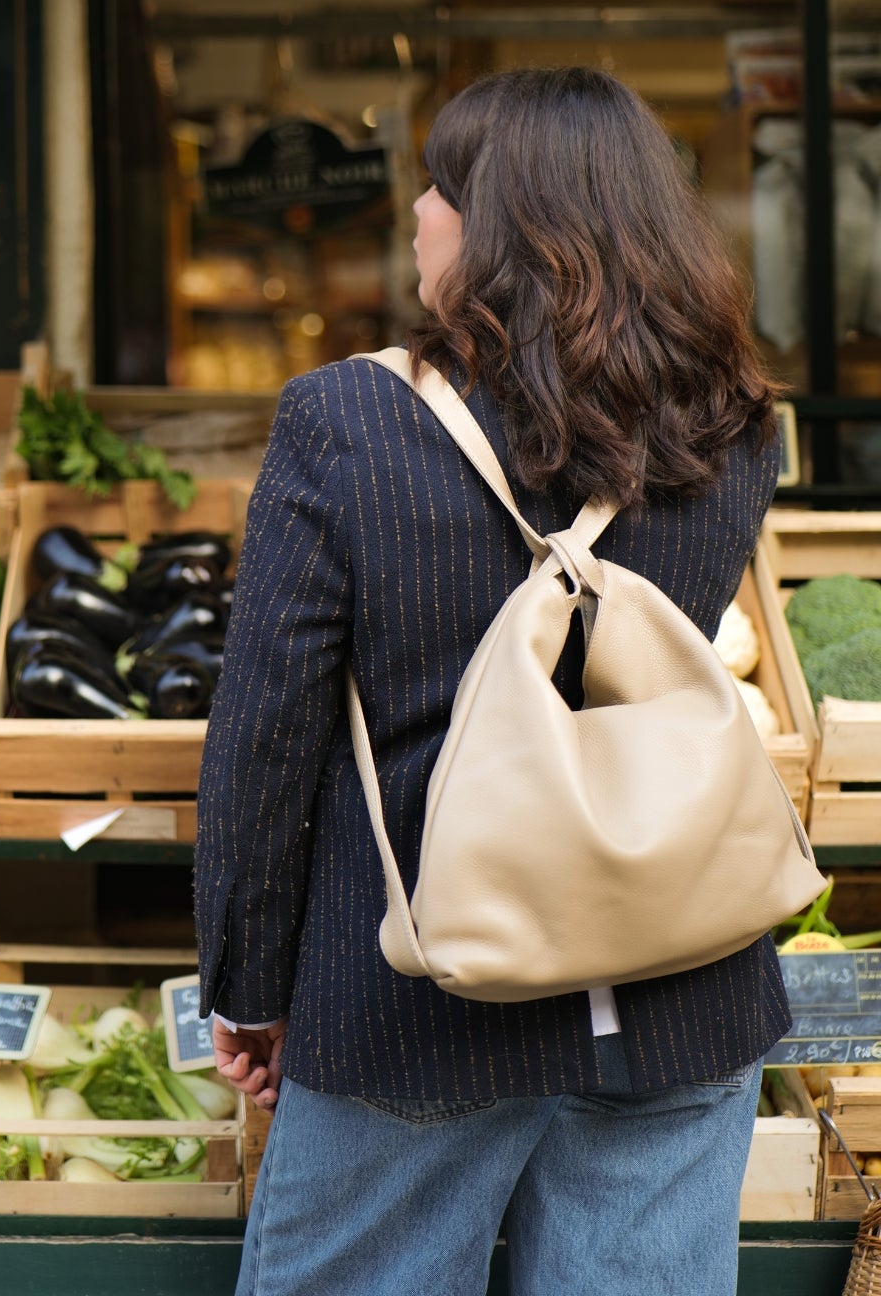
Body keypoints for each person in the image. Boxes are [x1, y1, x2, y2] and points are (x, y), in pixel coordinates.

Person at [195, 67, 787, 1296]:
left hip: (419, 999)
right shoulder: (735, 423)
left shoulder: (345, 422)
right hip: (685, 986)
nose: (416, 211)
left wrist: (250, 988)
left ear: (503, 225)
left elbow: (264, 737)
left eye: (440, 185)